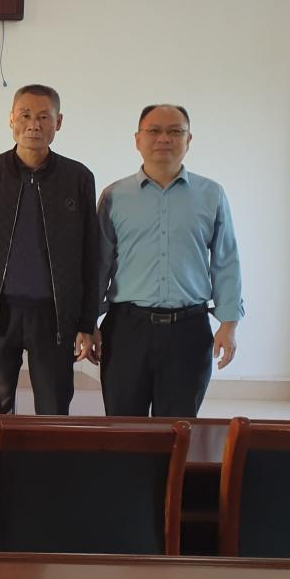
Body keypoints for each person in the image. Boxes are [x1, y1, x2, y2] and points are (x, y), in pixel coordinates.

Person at [0, 84, 98, 415]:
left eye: (44, 117)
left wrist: (87, 322)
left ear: (58, 122)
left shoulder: (77, 178)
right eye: (25, 115)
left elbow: (90, 255)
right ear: (11, 119)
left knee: (53, 410)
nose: (34, 125)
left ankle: (48, 454)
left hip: (54, 316)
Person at [95, 104, 243, 417]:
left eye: (175, 131)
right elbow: (99, 264)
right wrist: (88, 323)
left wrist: (228, 325)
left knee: (178, 429)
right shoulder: (114, 196)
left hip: (188, 331)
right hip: (126, 330)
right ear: (138, 139)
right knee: (123, 426)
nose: (164, 138)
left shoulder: (211, 195)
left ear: (189, 140)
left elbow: (226, 261)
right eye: (154, 131)